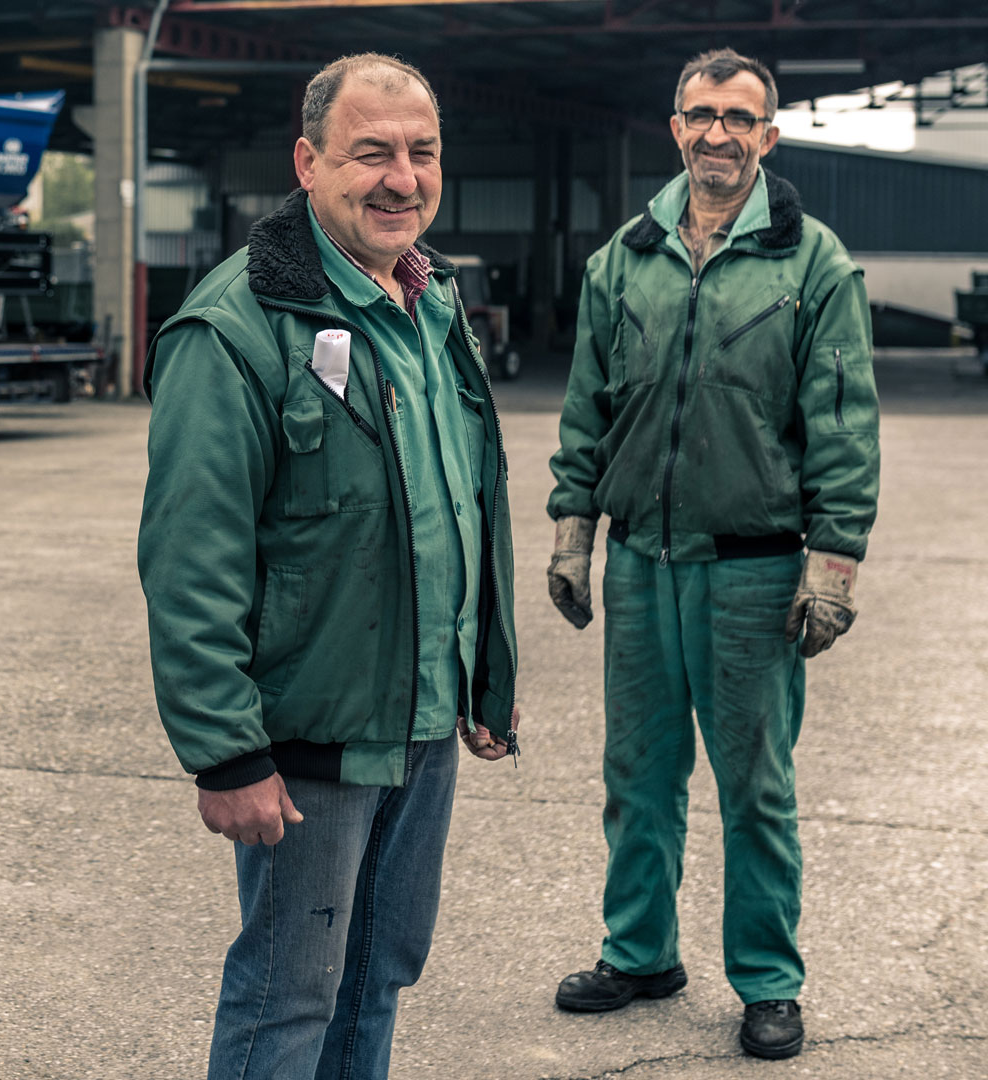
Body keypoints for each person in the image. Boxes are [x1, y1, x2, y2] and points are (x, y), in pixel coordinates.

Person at [138, 53, 520, 1080]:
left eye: (420, 152)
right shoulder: (235, 329)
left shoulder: (431, 305)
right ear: (307, 164)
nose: (402, 177)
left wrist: (484, 678)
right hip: (310, 738)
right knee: (288, 996)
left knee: (378, 977)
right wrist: (226, 750)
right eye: (370, 154)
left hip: (423, 721)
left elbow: (462, 503)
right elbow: (191, 555)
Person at [545, 48, 879, 1061]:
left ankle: (769, 981)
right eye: (701, 114)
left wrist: (833, 561)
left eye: (740, 117)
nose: (718, 133)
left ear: (768, 137)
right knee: (637, 776)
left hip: (754, 569)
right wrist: (573, 530)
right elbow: (587, 411)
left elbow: (844, 425)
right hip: (645, 563)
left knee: (754, 787)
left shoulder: (812, 262)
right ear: (675, 128)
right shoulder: (624, 259)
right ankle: (640, 951)